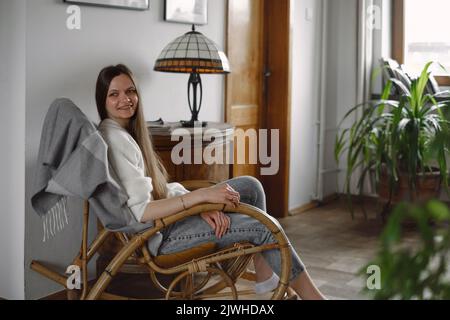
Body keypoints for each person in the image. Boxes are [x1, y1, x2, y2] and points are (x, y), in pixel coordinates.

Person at [96, 64, 326, 300]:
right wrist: (201, 200)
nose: (125, 99)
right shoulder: (116, 140)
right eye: (114, 94)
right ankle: (313, 298)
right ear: (102, 101)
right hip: (159, 237)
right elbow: (142, 211)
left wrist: (200, 207)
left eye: (130, 91)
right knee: (264, 226)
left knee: (250, 187)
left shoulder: (126, 134)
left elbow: (160, 190)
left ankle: (265, 276)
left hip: (168, 221)